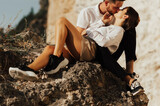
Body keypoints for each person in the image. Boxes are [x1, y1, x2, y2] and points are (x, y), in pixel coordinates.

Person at [9, 5, 143, 95]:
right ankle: (30, 70)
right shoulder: (110, 26)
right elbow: (89, 32)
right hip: (86, 48)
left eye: (121, 10)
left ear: (125, 16)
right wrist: (100, 23)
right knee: (51, 48)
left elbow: (103, 42)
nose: (117, 11)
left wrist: (89, 33)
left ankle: (56, 59)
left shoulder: (118, 31)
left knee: (62, 21)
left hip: (90, 50)